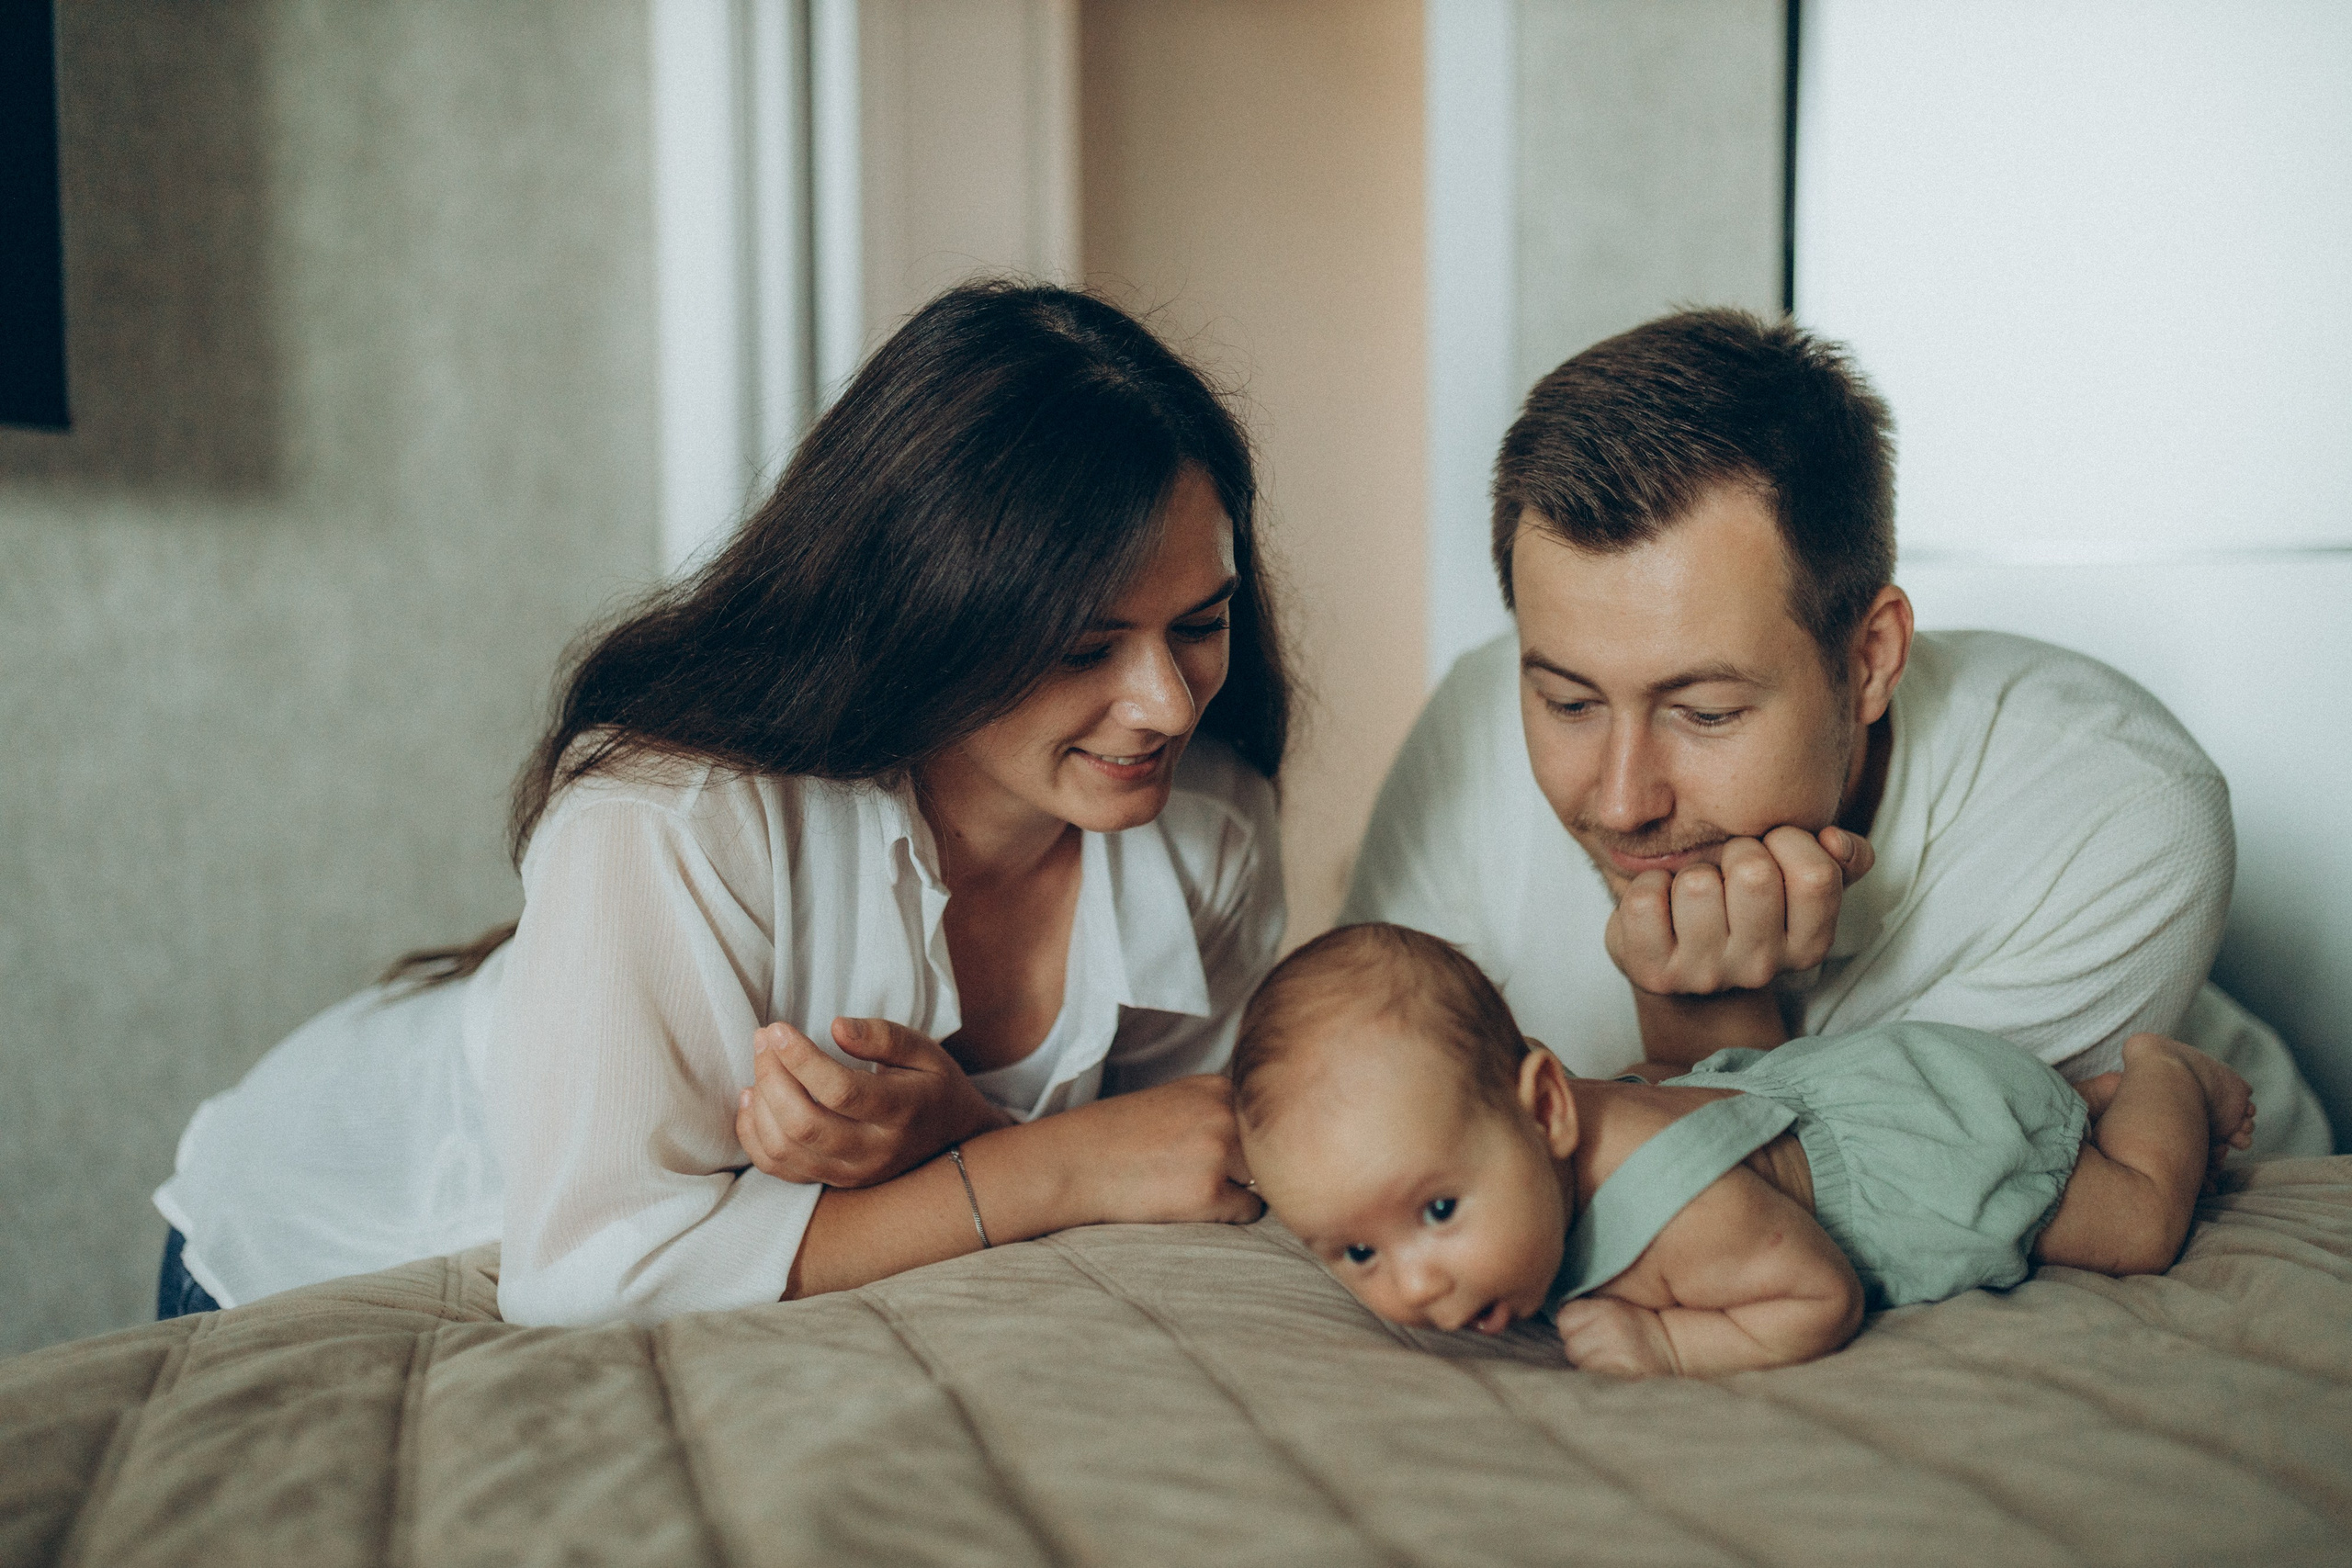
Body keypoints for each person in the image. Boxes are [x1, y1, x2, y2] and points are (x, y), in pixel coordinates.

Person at [153, 282, 1290, 1325]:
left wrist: (968, 1135)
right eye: (1086, 647)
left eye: (1198, 624)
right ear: (928, 618)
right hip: (331, 1222)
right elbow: (593, 1274)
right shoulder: (671, 813)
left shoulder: (1213, 833)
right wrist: (1041, 1167)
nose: (1164, 705)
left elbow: (1173, 1154)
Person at [1343, 309, 2329, 1155]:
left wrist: (1701, 1035)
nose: (1620, 802)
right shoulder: (1475, 716)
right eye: (1567, 703)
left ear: (1869, 660)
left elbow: (1905, 1204)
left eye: (1706, 712)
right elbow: (1357, 1103)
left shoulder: (2122, 813)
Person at [1233, 924, 2256, 1378]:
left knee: (2132, 1224)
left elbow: (1817, 1296)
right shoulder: (1520, 1140)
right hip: (1839, 1090)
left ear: (1545, 1109)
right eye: (1356, 1254)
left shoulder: (1684, 1211)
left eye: (1438, 1212)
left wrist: (1674, 1346)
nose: (1415, 1285)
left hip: (1916, 1150)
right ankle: (2075, 1107)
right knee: (2038, 1123)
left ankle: (2166, 1076)